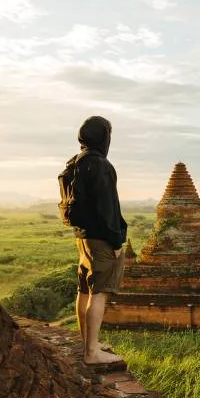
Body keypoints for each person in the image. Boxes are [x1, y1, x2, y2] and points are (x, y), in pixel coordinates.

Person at [70, 116, 127, 365]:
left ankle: (88, 344)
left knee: (84, 290)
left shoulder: (76, 162)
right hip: (101, 238)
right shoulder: (101, 165)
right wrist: (116, 242)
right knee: (100, 293)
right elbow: (108, 208)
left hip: (83, 237)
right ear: (104, 137)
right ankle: (92, 353)